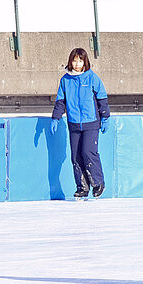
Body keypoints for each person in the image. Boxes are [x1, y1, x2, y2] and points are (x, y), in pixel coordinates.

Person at [51, 48, 111, 198]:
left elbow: (102, 98)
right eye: (75, 60)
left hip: (91, 122)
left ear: (85, 62)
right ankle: (82, 187)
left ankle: (98, 183)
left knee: (88, 152)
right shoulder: (65, 80)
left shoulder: (92, 78)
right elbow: (61, 101)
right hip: (74, 123)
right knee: (76, 156)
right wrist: (56, 118)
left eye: (80, 60)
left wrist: (105, 117)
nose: (77, 64)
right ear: (70, 61)